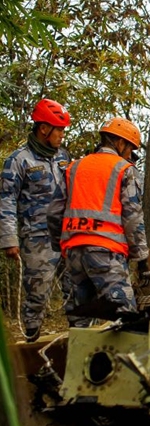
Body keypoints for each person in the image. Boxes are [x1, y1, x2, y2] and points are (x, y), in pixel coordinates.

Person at [47, 117, 150, 321]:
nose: (131, 155)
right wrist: (141, 257)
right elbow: (132, 217)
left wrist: (60, 245)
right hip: (106, 252)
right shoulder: (124, 169)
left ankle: (78, 352)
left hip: (74, 253)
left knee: (79, 318)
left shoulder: (74, 167)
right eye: (130, 149)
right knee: (125, 315)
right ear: (121, 143)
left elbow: (53, 212)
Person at [0, 99, 73, 341]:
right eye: (59, 129)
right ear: (44, 129)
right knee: (37, 298)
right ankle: (34, 356)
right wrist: (9, 239)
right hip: (37, 239)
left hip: (67, 236)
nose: (62, 135)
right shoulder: (19, 160)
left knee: (76, 292)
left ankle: (78, 345)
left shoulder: (64, 157)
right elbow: (6, 200)